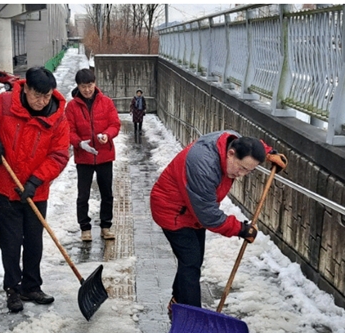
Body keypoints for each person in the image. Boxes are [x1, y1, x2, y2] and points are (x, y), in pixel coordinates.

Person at [149, 130, 288, 319]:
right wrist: (240, 229)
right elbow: (209, 217)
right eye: (241, 168)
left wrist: (268, 152)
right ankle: (193, 319)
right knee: (190, 263)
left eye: (249, 170)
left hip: (192, 211)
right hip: (172, 211)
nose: (241, 175)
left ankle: (177, 301)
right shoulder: (203, 166)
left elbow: (249, 143)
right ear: (230, 154)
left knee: (192, 260)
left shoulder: (232, 141)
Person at [0, 66, 70, 313]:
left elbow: (59, 155)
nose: (41, 101)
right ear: (25, 88)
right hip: (6, 184)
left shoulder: (58, 117)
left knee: (34, 240)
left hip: (36, 190)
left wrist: (36, 181)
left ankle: (31, 286)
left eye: (46, 96)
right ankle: (12, 289)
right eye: (37, 95)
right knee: (11, 241)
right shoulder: (5, 103)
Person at [66, 68, 121, 242]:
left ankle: (106, 226)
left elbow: (115, 124)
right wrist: (79, 143)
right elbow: (68, 130)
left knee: (107, 193)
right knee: (83, 195)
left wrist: (107, 135)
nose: (87, 90)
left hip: (104, 155)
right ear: (78, 87)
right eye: (83, 87)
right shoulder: (72, 106)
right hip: (84, 158)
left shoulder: (106, 102)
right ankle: (85, 228)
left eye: (90, 85)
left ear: (95, 84)